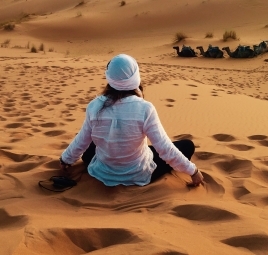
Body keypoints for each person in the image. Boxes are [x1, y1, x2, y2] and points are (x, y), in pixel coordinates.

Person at [59, 54, 204, 187]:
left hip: (102, 172)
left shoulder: (94, 106)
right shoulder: (145, 108)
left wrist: (66, 159)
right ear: (136, 77)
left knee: (89, 144)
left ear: (109, 78)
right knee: (187, 145)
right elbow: (165, 148)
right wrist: (193, 171)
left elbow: (81, 140)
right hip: (138, 173)